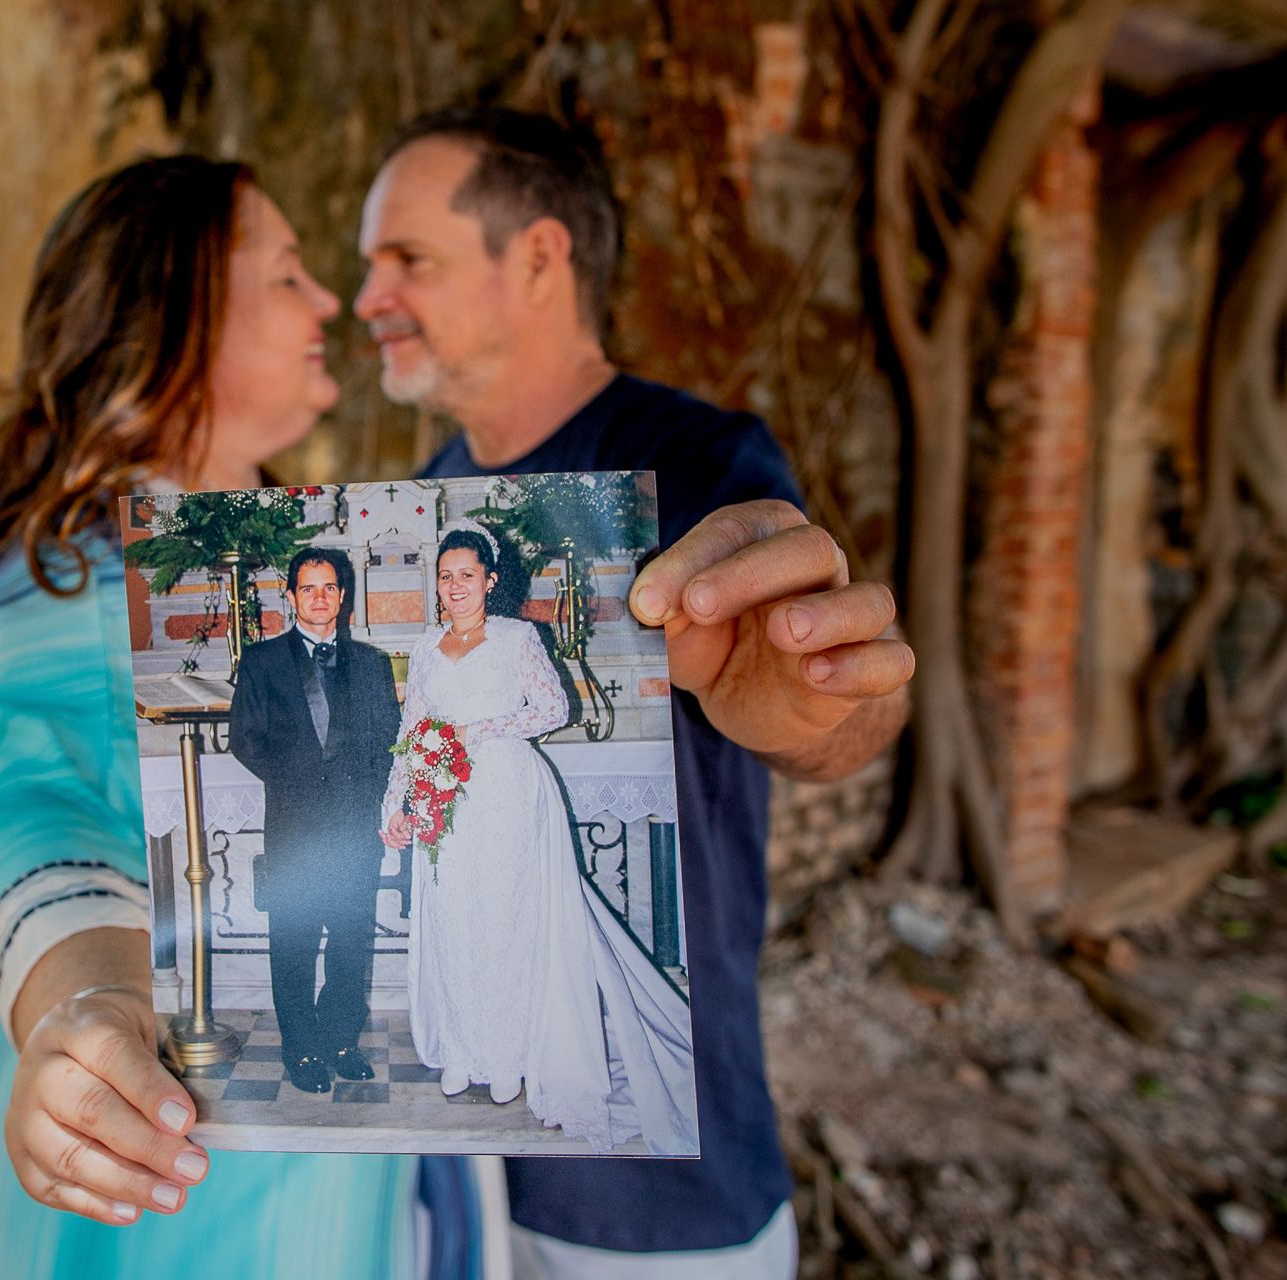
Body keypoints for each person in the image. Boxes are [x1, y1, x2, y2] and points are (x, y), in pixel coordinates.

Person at [0, 157, 459, 1276]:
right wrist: (86, 998)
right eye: (287, 274)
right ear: (179, 310)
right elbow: (40, 809)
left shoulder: (276, 552)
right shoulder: (70, 581)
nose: (327, 301)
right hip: (168, 1120)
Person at [355, 107, 914, 1275]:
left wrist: (819, 701)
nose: (370, 299)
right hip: (443, 1190)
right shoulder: (419, 499)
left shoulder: (705, 464)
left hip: (659, 1200)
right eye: (369, 267)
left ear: (542, 257)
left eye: (407, 259)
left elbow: (837, 721)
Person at [379, 525, 699, 1154]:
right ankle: (463, 1051)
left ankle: (508, 1056)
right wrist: (397, 801)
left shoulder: (517, 637)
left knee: (505, 920)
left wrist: (477, 731)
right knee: (453, 921)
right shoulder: (423, 651)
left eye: (467, 574)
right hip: (446, 800)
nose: (455, 585)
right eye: (446, 576)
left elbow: (554, 708)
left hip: (504, 792)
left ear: (490, 581)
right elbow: (411, 730)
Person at [227, 546, 401, 1094]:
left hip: (354, 828)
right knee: (295, 942)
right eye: (308, 588)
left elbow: (386, 742)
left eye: (329, 587)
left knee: (351, 942)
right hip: (295, 828)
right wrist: (298, 783)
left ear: (342, 595)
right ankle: (301, 1049)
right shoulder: (260, 662)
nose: (320, 598)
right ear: (292, 596)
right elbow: (244, 740)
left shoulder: (371, 664)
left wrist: (364, 798)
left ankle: (341, 1041)